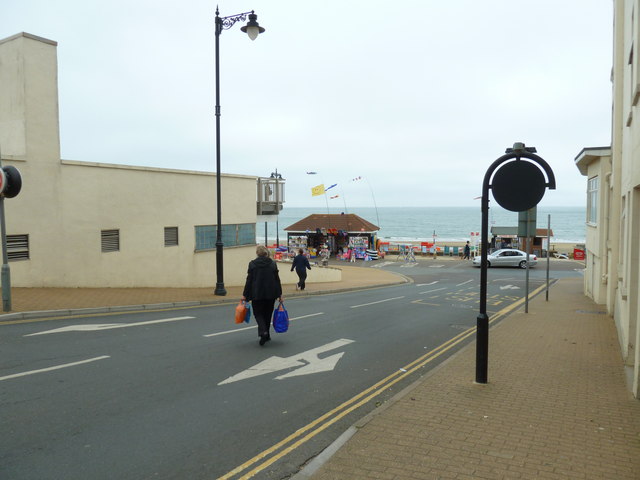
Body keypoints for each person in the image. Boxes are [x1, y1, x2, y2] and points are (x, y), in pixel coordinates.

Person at [242, 245, 283, 346]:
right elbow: (277, 280)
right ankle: (267, 334)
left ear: (257, 253)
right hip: (271, 294)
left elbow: (249, 281)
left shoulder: (252, 264)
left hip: (257, 293)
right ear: (266, 253)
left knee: (258, 314)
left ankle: (263, 332)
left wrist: (245, 295)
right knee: (267, 314)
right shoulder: (273, 264)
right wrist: (280, 294)